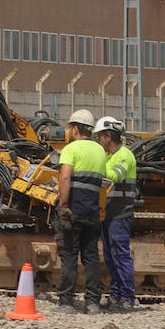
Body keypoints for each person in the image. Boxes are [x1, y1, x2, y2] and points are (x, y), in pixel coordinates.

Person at [53, 108, 107, 313]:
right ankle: (92, 302)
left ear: (75, 129)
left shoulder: (71, 149)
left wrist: (64, 206)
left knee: (69, 255)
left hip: (73, 210)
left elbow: (65, 177)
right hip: (92, 211)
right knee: (91, 256)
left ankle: (66, 302)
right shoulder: (100, 151)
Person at [94, 115, 138, 311]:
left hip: (120, 214)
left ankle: (127, 297)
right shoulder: (108, 156)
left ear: (108, 136)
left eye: (99, 137)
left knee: (120, 255)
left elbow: (114, 175)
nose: (97, 141)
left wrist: (93, 168)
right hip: (108, 213)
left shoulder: (124, 155)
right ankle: (116, 295)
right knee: (111, 257)